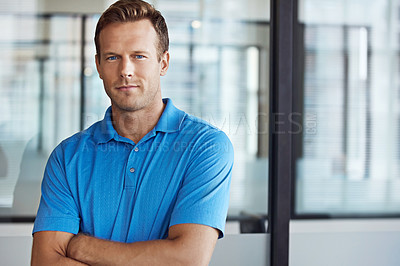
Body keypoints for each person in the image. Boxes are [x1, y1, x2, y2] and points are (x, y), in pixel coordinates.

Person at [31, 0, 234, 265]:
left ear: (163, 63)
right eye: (113, 57)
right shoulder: (68, 157)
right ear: (99, 66)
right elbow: (46, 262)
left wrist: (82, 248)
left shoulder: (206, 147)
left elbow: (186, 259)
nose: (125, 70)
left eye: (139, 56)